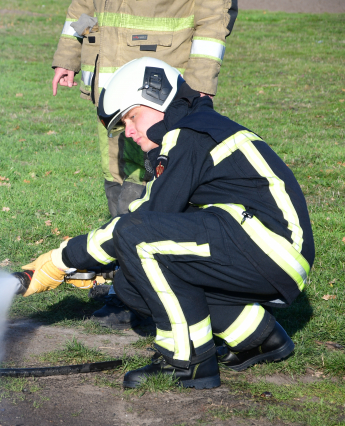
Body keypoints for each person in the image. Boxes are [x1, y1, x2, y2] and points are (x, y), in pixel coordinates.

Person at [21, 57, 314, 389]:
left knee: (137, 239)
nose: (128, 132)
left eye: (132, 117)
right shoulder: (195, 127)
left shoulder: (187, 134)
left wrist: (60, 262)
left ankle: (187, 361)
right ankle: (259, 337)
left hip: (268, 245)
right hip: (266, 246)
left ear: (157, 97)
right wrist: (87, 261)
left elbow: (142, 222)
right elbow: (152, 212)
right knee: (132, 280)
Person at [52, 0, 238, 218]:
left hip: (157, 91)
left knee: (159, 168)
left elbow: (213, 14)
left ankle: (146, 235)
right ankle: (122, 235)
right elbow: (84, 5)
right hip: (109, 91)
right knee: (114, 168)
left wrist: (200, 81)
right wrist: (68, 55)